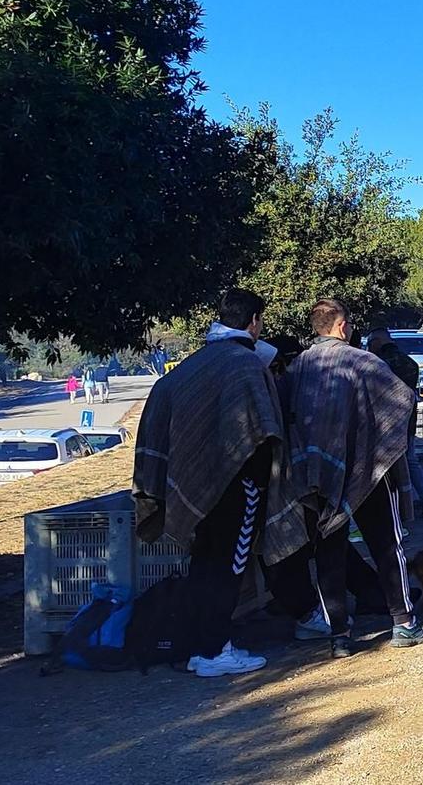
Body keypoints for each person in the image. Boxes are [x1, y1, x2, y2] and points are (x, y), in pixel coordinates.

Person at [130, 288, 281, 677]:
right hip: (236, 486)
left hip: (197, 489)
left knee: (204, 564)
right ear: (254, 321)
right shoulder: (243, 365)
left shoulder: (193, 365)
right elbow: (261, 430)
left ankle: (201, 647)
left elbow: (161, 408)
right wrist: (265, 481)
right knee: (228, 568)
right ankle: (216, 650)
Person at [285, 299, 423, 657]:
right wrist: (381, 437)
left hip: (318, 474)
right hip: (368, 470)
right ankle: (404, 623)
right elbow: (402, 400)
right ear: (342, 325)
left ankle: (339, 636)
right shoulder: (364, 361)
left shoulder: (299, 366)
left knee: (329, 553)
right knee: (386, 545)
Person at [366, 332, 423, 518]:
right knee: (411, 460)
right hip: (408, 420)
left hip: (384, 424)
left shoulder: (378, 364)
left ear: (377, 343)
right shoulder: (409, 363)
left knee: (387, 465)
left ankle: (396, 505)